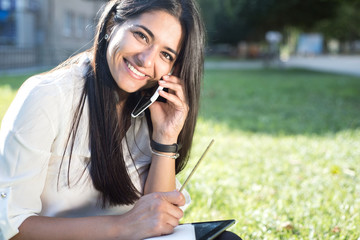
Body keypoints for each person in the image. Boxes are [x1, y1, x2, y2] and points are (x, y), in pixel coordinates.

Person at [0, 0, 241, 239]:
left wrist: (165, 138)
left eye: (166, 54)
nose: (146, 60)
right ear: (111, 25)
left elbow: (156, 226)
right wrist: (123, 226)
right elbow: (11, 228)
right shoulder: (47, 96)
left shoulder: (150, 106)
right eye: (142, 36)